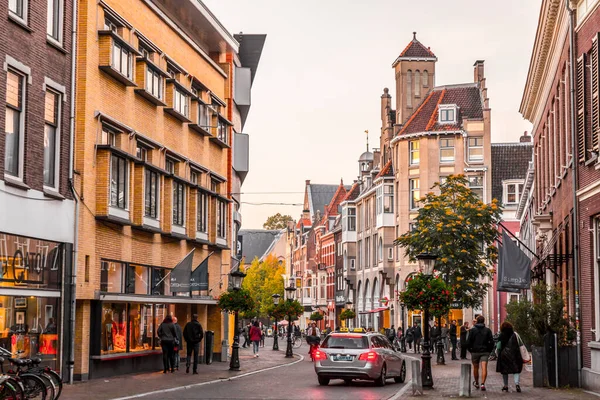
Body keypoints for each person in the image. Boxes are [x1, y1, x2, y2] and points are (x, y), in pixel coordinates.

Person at [467, 315, 495, 391]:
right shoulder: (488, 330)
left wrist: (471, 350)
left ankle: (476, 382)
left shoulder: (472, 330)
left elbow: (469, 342)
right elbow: (492, 342)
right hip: (485, 351)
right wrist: (489, 350)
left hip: (475, 351)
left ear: (477, 321)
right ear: (483, 321)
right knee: (484, 367)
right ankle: (482, 383)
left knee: (475, 368)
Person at [496, 321, 523, 393]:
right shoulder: (515, 335)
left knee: (504, 370)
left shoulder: (501, 335)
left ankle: (505, 386)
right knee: (516, 369)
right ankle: (517, 384)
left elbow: (498, 346)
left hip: (504, 355)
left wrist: (498, 353)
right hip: (515, 354)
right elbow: (520, 344)